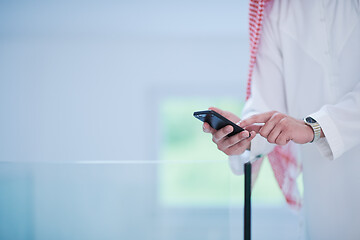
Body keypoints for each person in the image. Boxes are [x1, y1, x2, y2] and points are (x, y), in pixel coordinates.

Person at [203, 0, 360, 239]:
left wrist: (313, 128)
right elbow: (269, 109)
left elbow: (299, 127)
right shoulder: (278, 9)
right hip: (320, 201)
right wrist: (244, 135)